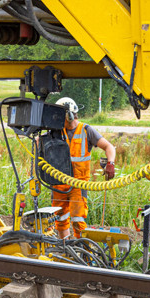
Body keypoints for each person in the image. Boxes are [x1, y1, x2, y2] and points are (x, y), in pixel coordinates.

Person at [49, 96, 117, 239]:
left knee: (78, 220)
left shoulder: (86, 130)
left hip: (78, 184)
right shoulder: (55, 131)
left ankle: (82, 252)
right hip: (58, 184)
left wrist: (110, 163)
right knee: (60, 221)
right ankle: (65, 252)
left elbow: (108, 146)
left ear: (69, 115)